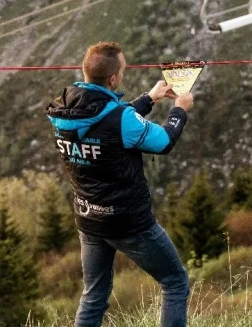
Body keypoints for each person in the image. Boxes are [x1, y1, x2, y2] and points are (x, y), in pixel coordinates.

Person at [46, 41, 193, 327]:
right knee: (175, 282)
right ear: (113, 78)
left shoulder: (65, 112)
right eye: (123, 70)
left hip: (89, 218)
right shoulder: (120, 119)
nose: (123, 74)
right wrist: (180, 110)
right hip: (128, 222)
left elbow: (108, 123)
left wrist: (149, 98)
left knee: (93, 296)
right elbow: (162, 141)